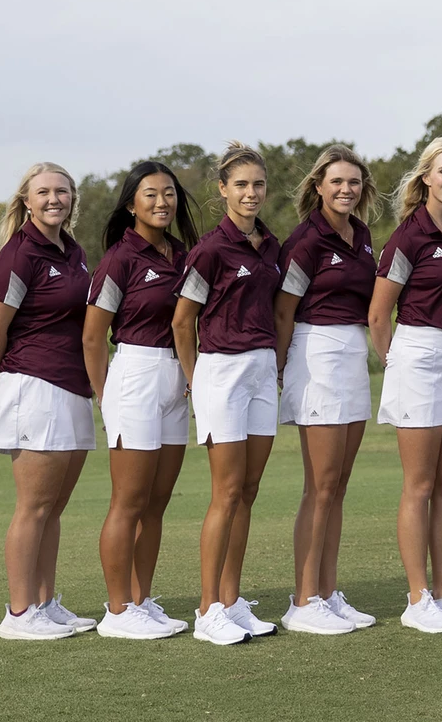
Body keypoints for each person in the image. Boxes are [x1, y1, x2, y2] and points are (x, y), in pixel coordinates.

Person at [369, 136, 442, 634]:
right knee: (419, 485)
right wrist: (397, 365)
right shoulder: (407, 238)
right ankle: (417, 598)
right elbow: (377, 316)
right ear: (426, 178)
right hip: (416, 354)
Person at [0, 162, 98, 640]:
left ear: (72, 199)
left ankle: (45, 603)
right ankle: (19, 612)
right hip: (35, 386)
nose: (54, 199)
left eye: (62, 192)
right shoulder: (18, 254)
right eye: (44, 192)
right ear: (26, 201)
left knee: (53, 508)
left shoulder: (74, 251)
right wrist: (3, 381)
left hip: (72, 388)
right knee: (33, 506)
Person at [83, 161, 200, 639]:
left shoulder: (184, 254)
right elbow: (92, 338)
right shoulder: (119, 259)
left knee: (157, 502)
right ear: (131, 203)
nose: (161, 202)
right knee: (128, 501)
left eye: (169, 193)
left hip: (176, 377)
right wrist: (106, 397)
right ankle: (117, 611)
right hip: (135, 374)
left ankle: (141, 600)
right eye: (150, 194)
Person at [172, 142, 281, 646]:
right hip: (221, 372)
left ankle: (232, 602)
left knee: (250, 491)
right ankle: (206, 607)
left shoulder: (272, 245)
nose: (251, 193)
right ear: (223, 190)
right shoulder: (210, 249)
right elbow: (181, 322)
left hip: (262, 370)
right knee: (227, 492)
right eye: (241, 184)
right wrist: (196, 382)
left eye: (258, 184)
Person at [274, 145, 380, 635]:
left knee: (337, 486)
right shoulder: (305, 241)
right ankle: (303, 600)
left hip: (352, 355)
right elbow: (283, 311)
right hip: (315, 354)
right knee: (319, 485)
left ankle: (328, 592)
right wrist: (277, 369)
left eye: (353, 182)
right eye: (336, 182)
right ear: (318, 186)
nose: (345, 189)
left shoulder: (361, 235)